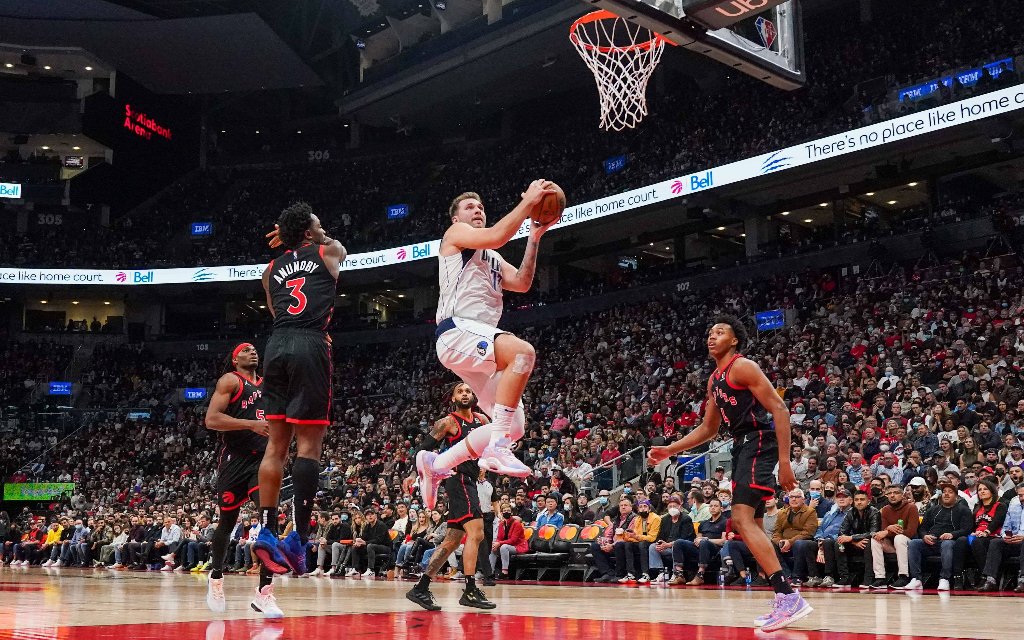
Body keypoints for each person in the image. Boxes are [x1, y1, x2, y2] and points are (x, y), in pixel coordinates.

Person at [648, 316, 811, 632]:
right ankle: (784, 596)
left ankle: (789, 597)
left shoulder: (743, 366)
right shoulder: (714, 379)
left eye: (720, 332)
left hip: (759, 440)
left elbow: (780, 409)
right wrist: (670, 449)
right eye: (709, 332)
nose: (712, 336)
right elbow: (709, 428)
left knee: (740, 519)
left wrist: (785, 461)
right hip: (743, 445)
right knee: (756, 526)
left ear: (735, 340)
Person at [417, 182, 560, 503]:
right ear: (456, 220)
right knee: (523, 354)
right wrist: (528, 204)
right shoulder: (454, 237)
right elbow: (497, 234)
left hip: (477, 340)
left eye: (480, 206)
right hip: (457, 330)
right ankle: (496, 446)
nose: (477, 210)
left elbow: (522, 283)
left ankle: (436, 464)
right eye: (469, 207)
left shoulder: (492, 257)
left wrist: (534, 237)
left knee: (517, 426)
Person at [254, 202, 346, 619]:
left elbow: (276, 313)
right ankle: (300, 536)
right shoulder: (327, 252)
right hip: (310, 344)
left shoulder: (269, 271)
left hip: (276, 346)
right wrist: (316, 237)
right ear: (309, 233)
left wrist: (294, 239)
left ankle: (268, 528)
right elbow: (336, 246)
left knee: (276, 445)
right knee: (309, 447)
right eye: (318, 222)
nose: (324, 227)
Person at [405, 382, 497, 611]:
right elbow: (423, 450)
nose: (465, 394)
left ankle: (421, 587)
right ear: (453, 398)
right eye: (460, 391)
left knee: (453, 539)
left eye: (468, 390)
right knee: (476, 533)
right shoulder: (448, 422)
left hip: (472, 481)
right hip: (458, 481)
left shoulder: (482, 421)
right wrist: (411, 474)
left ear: (474, 395)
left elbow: (492, 446)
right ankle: (470, 589)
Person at [203, 343, 270, 612]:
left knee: (269, 518)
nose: (252, 352)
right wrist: (250, 424)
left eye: (254, 349)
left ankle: (264, 591)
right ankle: (216, 576)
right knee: (227, 521)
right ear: (235, 359)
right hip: (234, 459)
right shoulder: (230, 380)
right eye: (245, 350)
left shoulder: (269, 385)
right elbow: (211, 419)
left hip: (261, 461)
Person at [905, 482, 974, 591]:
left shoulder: (963, 510)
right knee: (913, 543)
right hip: (931, 541)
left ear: (956, 496)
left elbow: (967, 529)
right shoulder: (933, 509)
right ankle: (916, 579)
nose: (946, 494)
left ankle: (944, 578)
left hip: (951, 542)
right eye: (944, 492)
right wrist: (924, 536)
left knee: (947, 544)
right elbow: (922, 528)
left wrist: (952, 534)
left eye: (950, 492)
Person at [870, 484, 919, 589]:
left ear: (902, 495)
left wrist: (888, 531)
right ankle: (880, 577)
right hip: (892, 545)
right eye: (889, 493)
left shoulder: (911, 507)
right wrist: (888, 530)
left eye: (896, 493)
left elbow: (911, 532)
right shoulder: (886, 509)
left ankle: (903, 576)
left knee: (899, 538)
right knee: (875, 539)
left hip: (910, 544)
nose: (892, 495)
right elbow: (883, 530)